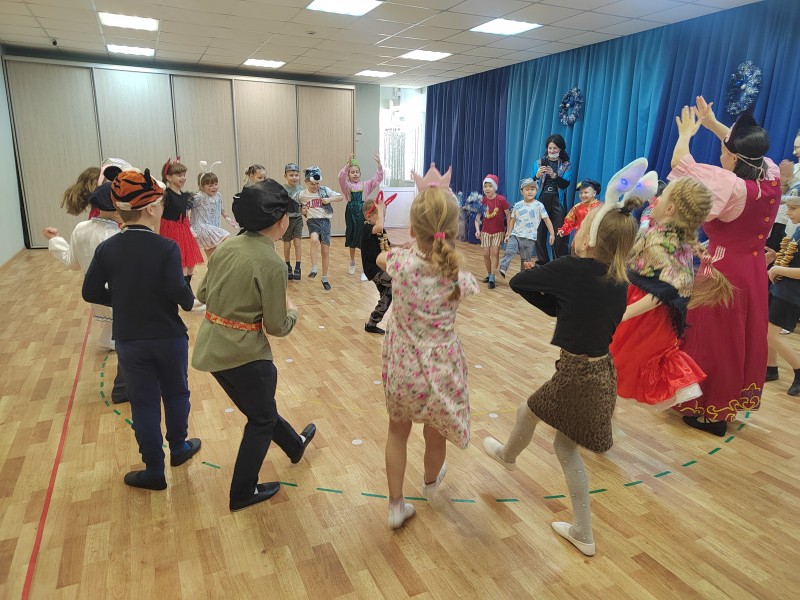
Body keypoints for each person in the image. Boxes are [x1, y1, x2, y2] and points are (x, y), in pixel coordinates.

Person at [483, 159, 642, 557]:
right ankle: (510, 458)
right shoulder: (620, 278)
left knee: (555, 439)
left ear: (589, 240)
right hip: (601, 373)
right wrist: (560, 306)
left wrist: (554, 300)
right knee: (539, 421)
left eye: (583, 224)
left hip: (576, 375)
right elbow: (583, 311)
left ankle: (581, 529)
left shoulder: (574, 268)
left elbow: (521, 281)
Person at [192, 179, 316, 512]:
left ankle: (294, 445)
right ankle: (242, 491)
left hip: (212, 349)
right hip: (245, 355)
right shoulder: (272, 263)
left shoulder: (226, 247)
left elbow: (202, 294)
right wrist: (293, 312)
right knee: (260, 419)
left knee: (261, 409)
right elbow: (276, 326)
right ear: (281, 221)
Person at [82, 169, 201, 490]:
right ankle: (179, 448)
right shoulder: (167, 247)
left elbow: (90, 291)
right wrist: (192, 299)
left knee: (144, 403)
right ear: (150, 208)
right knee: (176, 393)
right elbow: (181, 297)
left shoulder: (107, 249)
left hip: (130, 339)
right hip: (169, 337)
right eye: (160, 203)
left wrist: (123, 301)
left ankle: (154, 470)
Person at [670, 97, 781, 436]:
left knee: (712, 339)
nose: (721, 154)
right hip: (752, 270)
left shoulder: (730, 186)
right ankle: (725, 404)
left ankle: (710, 411)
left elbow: (680, 163)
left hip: (721, 270)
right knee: (740, 337)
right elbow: (746, 150)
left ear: (733, 157)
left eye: (723, 150)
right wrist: (713, 123)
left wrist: (687, 134)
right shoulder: (771, 175)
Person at [381, 164, 479, 530]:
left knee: (397, 432)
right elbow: (467, 285)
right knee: (435, 436)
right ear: (454, 231)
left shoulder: (399, 262)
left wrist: (408, 246)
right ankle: (430, 482)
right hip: (441, 370)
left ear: (411, 229)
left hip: (402, 367)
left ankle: (395, 506)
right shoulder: (459, 277)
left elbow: (381, 258)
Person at [610, 176, 732, 408]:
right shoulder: (669, 236)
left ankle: (598, 413)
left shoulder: (661, 242)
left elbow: (663, 291)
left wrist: (622, 314)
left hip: (642, 316)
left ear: (670, 209)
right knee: (616, 366)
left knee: (617, 364)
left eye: (661, 197)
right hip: (645, 311)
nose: (655, 200)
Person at [44, 181, 128, 403]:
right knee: (128, 338)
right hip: (118, 296)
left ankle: (109, 343)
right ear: (118, 207)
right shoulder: (117, 236)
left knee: (117, 329)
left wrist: (54, 240)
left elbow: (72, 262)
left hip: (94, 292)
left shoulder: (82, 228)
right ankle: (123, 386)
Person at [765, 195, 800, 395]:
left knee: (772, 335)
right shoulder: (797, 230)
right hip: (781, 288)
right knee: (767, 331)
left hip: (791, 293)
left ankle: (798, 370)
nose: (788, 213)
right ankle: (771, 368)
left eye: (794, 209)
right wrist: (775, 258)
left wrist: (778, 269)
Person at [160, 158, 205, 309]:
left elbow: (186, 215)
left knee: (190, 265)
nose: (183, 177)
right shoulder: (166, 195)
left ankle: (185, 295)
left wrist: (191, 229)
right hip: (171, 231)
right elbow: (159, 216)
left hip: (183, 230)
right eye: (179, 175)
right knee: (182, 266)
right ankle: (187, 299)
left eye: (184, 174)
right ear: (168, 177)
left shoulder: (185, 196)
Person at [339, 153, 383, 280]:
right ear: (348, 174)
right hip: (351, 213)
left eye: (357, 172)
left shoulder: (365, 185)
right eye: (352, 172)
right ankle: (352, 262)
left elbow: (377, 179)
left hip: (363, 214)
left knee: (364, 239)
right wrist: (347, 166)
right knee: (352, 237)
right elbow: (341, 177)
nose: (355, 174)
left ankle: (365, 267)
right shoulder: (347, 186)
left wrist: (379, 165)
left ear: (360, 173)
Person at [298, 166, 343, 290]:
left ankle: (324, 277)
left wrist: (329, 199)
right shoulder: (303, 194)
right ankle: (314, 267)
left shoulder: (324, 190)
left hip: (325, 222)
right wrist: (302, 210)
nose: (315, 186)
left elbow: (340, 197)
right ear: (306, 182)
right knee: (313, 239)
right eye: (312, 184)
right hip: (312, 221)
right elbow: (295, 203)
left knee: (325, 251)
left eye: (317, 183)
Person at [499, 178, 553, 279]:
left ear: (536, 191)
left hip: (529, 237)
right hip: (515, 234)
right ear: (522, 191)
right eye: (527, 189)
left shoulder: (539, 205)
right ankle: (503, 267)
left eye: (533, 189)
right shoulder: (517, 205)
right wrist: (508, 234)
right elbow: (512, 220)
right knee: (510, 250)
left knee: (525, 261)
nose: (530, 191)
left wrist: (552, 234)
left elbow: (547, 220)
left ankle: (522, 278)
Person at [533, 134, 572, 262]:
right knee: (539, 234)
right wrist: (537, 176)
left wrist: (554, 175)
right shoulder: (539, 163)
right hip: (541, 200)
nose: (552, 150)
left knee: (559, 234)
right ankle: (542, 264)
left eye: (555, 148)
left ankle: (558, 264)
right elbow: (530, 185)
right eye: (550, 148)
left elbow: (565, 184)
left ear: (561, 149)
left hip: (557, 201)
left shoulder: (566, 165)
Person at [361, 194, 392, 334]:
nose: (382, 219)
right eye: (379, 216)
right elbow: (379, 226)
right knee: (398, 282)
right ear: (369, 217)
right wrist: (380, 208)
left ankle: (371, 323)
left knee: (388, 294)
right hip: (374, 270)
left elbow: (387, 245)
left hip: (382, 268)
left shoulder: (380, 231)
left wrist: (402, 246)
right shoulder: (367, 229)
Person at [191, 161, 235, 260]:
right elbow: (186, 205)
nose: (214, 187)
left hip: (213, 226)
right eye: (210, 185)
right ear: (201, 186)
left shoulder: (218, 195)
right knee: (227, 238)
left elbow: (221, 208)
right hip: (203, 228)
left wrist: (227, 218)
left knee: (212, 256)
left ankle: (214, 268)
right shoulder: (199, 197)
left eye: (215, 184)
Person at [474, 174, 510, 289]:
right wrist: (477, 230)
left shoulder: (501, 199)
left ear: (495, 187)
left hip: (498, 232)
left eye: (490, 186)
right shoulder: (482, 201)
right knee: (486, 253)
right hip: (485, 231)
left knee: (495, 252)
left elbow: (508, 215)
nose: (487, 189)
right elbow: (477, 217)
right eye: (485, 186)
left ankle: (492, 277)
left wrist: (508, 231)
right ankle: (489, 273)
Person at [282, 163, 304, 280]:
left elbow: (304, 203)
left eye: (296, 175)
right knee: (287, 243)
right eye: (291, 175)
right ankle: (287, 265)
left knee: (297, 242)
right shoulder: (282, 189)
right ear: (285, 176)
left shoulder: (301, 189)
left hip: (298, 219)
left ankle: (298, 266)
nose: (294, 177)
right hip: (286, 219)